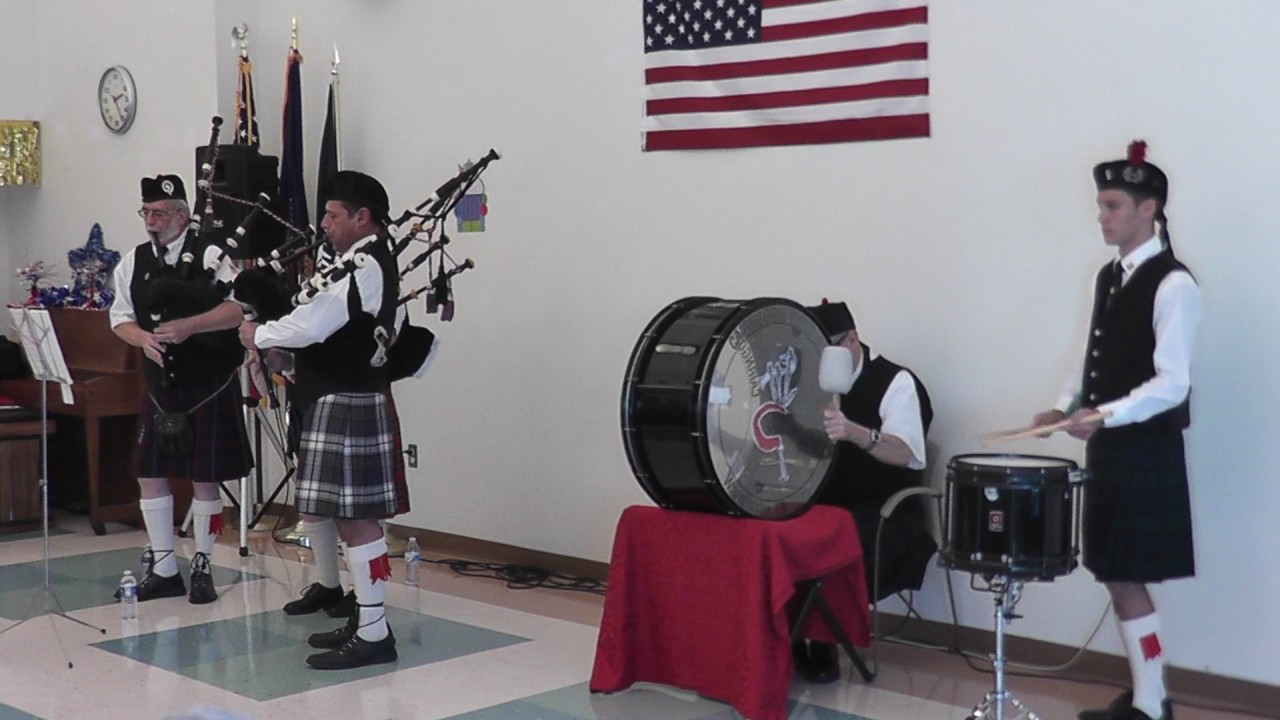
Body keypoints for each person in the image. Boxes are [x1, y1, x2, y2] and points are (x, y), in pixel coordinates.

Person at [1033, 141, 1199, 720]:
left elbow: (1173, 383)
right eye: (1101, 205)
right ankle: (1149, 694)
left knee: (1125, 577)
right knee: (1115, 574)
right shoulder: (1108, 276)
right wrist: (1062, 407)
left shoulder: (1174, 284)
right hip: (1113, 449)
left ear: (1147, 209)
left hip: (1144, 448)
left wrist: (1104, 415)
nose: (1101, 217)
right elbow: (1091, 349)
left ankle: (1153, 704)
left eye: (1111, 206)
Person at [240, 170, 406, 670]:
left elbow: (316, 322)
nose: (325, 225)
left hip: (348, 399)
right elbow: (336, 333)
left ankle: (375, 630)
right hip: (340, 394)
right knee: (349, 515)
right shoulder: (361, 261)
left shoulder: (367, 262)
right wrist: (288, 360)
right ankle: (367, 619)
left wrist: (261, 334)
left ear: (362, 217)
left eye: (334, 215)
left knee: (358, 520)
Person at [109, 174, 253, 605]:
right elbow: (120, 317)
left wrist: (191, 326)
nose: (151, 222)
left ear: (182, 215)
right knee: (149, 475)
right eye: (146, 213)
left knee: (205, 480)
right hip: (161, 384)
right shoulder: (132, 261)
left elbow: (238, 309)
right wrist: (143, 340)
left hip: (207, 380)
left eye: (160, 213)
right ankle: (165, 567)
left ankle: (204, 564)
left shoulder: (211, 253)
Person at [794, 300, 935, 683]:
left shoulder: (896, 382)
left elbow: (906, 453)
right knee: (771, 531)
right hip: (822, 499)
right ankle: (783, 638)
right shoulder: (814, 383)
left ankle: (822, 641)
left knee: (831, 539)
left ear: (852, 341)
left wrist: (855, 432)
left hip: (881, 506)